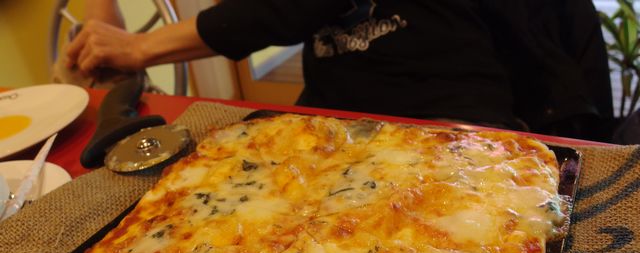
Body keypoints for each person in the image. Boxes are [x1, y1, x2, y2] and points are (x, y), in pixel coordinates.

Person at [67, 0, 615, 140]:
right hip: (327, 127)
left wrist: (140, 48)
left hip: (449, 130)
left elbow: (277, 12)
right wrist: (103, 23)